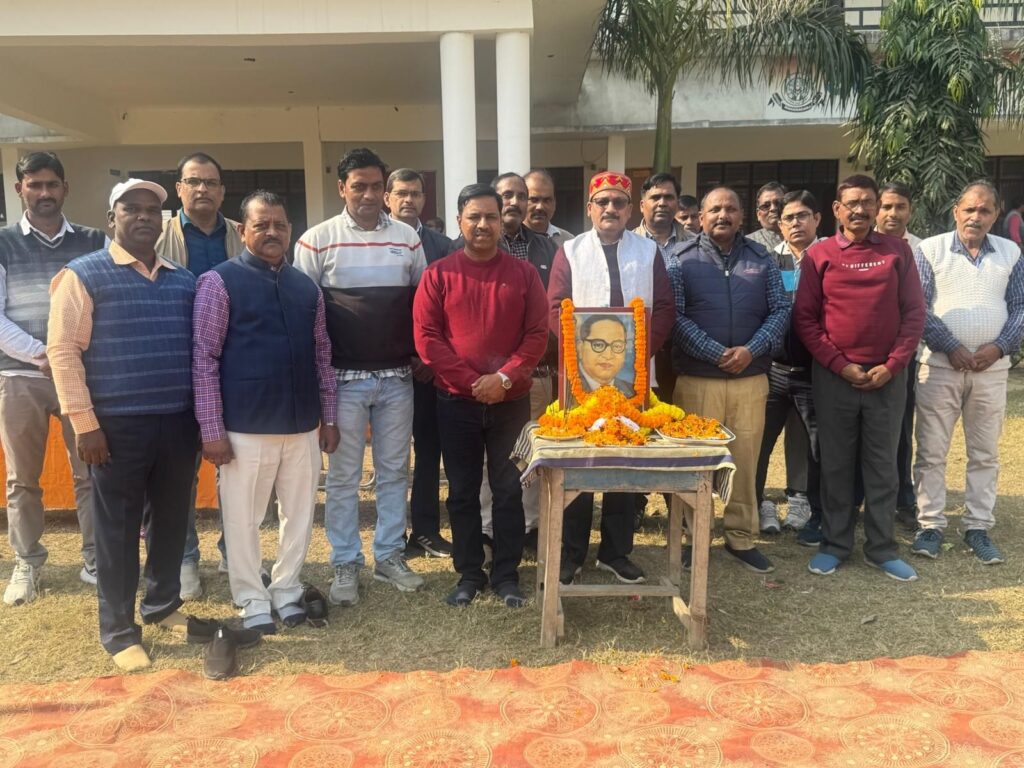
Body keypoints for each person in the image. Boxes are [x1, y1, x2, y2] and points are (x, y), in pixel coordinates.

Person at [48, 179, 202, 671]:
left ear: (163, 221)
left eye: (152, 211)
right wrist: (84, 424)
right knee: (117, 530)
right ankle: (118, 630)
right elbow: (63, 352)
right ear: (111, 218)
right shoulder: (83, 275)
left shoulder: (183, 280)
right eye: (131, 209)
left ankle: (162, 604)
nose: (143, 217)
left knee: (171, 520)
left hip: (177, 422)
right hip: (114, 428)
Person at [193, 191, 340, 633]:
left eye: (279, 224)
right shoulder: (219, 282)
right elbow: (204, 358)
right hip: (245, 428)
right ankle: (251, 598)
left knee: (299, 515)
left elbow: (322, 355)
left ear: (290, 230)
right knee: (244, 519)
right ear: (243, 231)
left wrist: (330, 416)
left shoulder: (306, 287)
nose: (272, 232)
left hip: (301, 426)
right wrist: (212, 429)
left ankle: (286, 589)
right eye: (261, 225)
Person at [294, 147, 427, 606]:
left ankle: (388, 555)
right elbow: (304, 312)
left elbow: (420, 303)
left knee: (394, 471)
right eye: (359, 187)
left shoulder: (407, 238)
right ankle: (345, 562)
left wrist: (419, 355)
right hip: (343, 381)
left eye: (376, 187)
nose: (369, 195)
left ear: (385, 190)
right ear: (342, 188)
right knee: (343, 477)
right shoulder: (316, 240)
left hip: (396, 379)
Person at [413, 183, 548, 607]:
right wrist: (474, 381)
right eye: (474, 217)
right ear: (460, 221)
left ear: (503, 220)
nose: (483, 224)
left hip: (511, 402)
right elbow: (427, 339)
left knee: (508, 490)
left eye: (491, 216)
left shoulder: (524, 275)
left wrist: (503, 378)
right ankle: (469, 573)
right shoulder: (438, 275)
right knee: (462, 491)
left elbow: (536, 335)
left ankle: (506, 575)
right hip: (456, 402)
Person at [794, 174, 925, 582]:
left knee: (883, 465)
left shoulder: (898, 251)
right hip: (836, 377)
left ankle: (881, 548)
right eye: (851, 203)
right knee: (836, 464)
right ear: (837, 209)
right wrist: (839, 364)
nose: (860, 210)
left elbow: (914, 314)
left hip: (888, 377)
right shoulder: (819, 255)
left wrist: (894, 364)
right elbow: (806, 319)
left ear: (877, 206)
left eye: (868, 202)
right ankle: (835, 544)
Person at [548, 171, 675, 585]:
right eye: (602, 202)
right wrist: (584, 356)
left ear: (630, 209)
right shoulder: (570, 251)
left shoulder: (648, 251)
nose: (610, 209)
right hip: (581, 378)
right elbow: (555, 308)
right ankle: (572, 554)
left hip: (634, 377)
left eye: (618, 202)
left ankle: (616, 552)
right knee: (579, 461)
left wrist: (636, 356)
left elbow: (665, 308)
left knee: (625, 460)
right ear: (590, 209)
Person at [0, 151, 105, 606]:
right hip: (20, 376)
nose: (44, 193)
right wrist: (45, 355)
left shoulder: (94, 241)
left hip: (79, 377)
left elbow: (104, 303)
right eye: (34, 184)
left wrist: (66, 359)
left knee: (90, 473)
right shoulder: (2, 243)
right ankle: (27, 561)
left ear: (65, 189)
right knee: (22, 479)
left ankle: (95, 558)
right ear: (20, 189)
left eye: (51, 184)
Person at [671, 187, 789, 575]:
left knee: (745, 460)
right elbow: (674, 316)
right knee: (695, 461)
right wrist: (714, 352)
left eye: (731, 209)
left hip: (750, 379)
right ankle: (694, 537)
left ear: (742, 216)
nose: (723, 215)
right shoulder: (680, 259)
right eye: (715, 209)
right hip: (698, 378)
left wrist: (750, 350)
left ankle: (741, 537)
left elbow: (780, 311)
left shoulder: (762, 258)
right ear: (701, 217)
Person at [910, 180, 1023, 565]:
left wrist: (999, 347)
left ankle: (977, 527)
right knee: (931, 451)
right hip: (939, 367)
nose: (976, 216)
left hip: (991, 370)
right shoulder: (930, 249)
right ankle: (930, 525)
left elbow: (1020, 307)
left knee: (985, 453)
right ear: (956, 210)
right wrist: (951, 346)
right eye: (970, 209)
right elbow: (919, 307)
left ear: (996, 214)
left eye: (985, 210)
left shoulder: (1010, 252)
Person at [156, 151, 244, 601]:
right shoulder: (159, 237)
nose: (202, 189)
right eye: (193, 181)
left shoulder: (242, 235)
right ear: (179, 188)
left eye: (210, 182)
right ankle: (186, 558)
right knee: (180, 474)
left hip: (231, 369)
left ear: (222, 191)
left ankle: (235, 552)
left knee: (235, 468)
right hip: (175, 367)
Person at [384, 168, 456, 559]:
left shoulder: (443, 246)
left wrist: (430, 357)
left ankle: (426, 531)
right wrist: (406, 354)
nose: (408, 199)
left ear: (425, 199)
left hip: (431, 370)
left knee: (429, 451)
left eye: (415, 193)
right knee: (390, 457)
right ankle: (391, 536)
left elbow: (452, 309)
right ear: (388, 198)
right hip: (388, 364)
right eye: (401, 193)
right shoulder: (376, 241)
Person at [754, 190, 823, 544]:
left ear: (817, 219)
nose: (796, 223)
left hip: (815, 370)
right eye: (788, 218)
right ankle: (758, 503)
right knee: (760, 441)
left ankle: (807, 505)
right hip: (774, 369)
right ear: (779, 226)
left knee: (816, 445)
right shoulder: (768, 261)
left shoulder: (829, 257)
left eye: (802, 216)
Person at [871, 181, 923, 530]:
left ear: (910, 210)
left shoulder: (922, 249)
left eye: (900, 206)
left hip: (905, 356)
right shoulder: (861, 244)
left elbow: (920, 307)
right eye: (886, 206)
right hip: (861, 358)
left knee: (900, 432)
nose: (892, 213)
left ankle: (904, 499)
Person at [576, 314, 635, 396]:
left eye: (617, 346)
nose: (608, 356)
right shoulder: (565, 390)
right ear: (580, 348)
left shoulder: (633, 392)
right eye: (598, 345)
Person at [524, 169, 574, 248]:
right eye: (534, 200)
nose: (540, 207)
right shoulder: (509, 241)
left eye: (546, 200)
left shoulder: (568, 242)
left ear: (554, 203)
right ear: (522, 201)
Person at [746, 182, 787, 250]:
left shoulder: (803, 238)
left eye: (778, 203)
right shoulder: (746, 244)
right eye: (766, 206)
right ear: (758, 214)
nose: (773, 208)